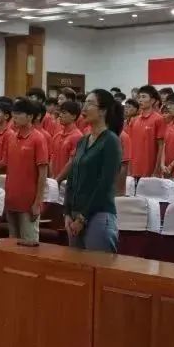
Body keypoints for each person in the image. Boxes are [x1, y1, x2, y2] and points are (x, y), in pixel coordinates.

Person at [63, 89, 124, 252]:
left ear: (103, 111)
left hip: (98, 215)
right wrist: (67, 212)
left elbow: (105, 184)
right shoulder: (82, 141)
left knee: (97, 265)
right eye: (84, 103)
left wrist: (82, 218)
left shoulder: (111, 140)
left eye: (90, 104)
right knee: (75, 265)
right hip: (74, 216)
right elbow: (72, 177)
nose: (84, 108)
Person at [4, 99, 49, 246]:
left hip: (28, 202)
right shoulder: (11, 137)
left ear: (30, 116)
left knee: (29, 244)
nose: (14, 117)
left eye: (19, 113)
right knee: (12, 243)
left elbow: (43, 173)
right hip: (11, 199)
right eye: (14, 113)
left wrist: (37, 202)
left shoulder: (38, 138)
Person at [128, 85, 165, 179]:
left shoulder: (158, 119)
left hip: (150, 171)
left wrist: (157, 169)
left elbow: (161, 146)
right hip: (134, 170)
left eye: (144, 97)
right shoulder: (134, 120)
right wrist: (129, 168)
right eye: (139, 97)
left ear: (152, 100)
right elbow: (130, 145)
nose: (140, 100)